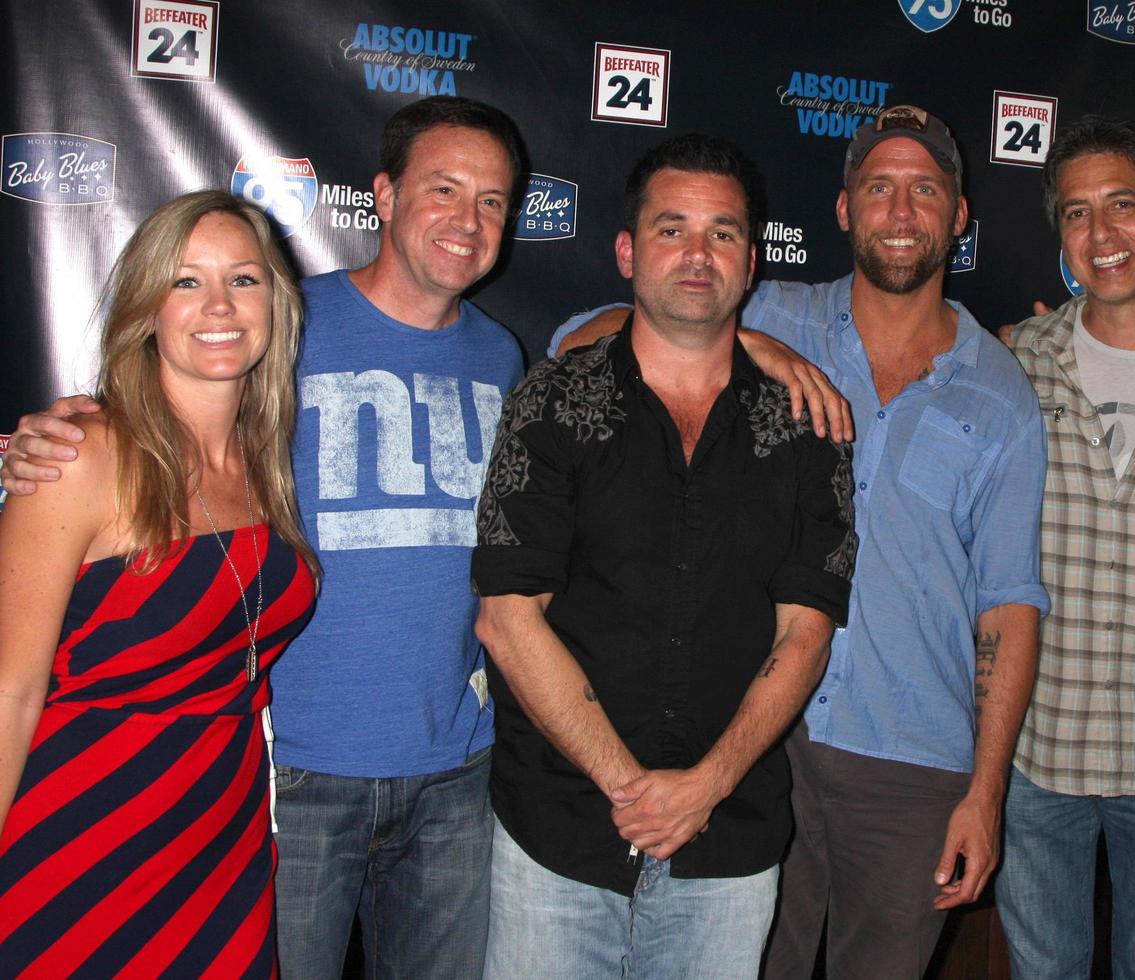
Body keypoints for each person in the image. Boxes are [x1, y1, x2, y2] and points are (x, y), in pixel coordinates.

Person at [0, 96, 527, 976]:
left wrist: (759, 343)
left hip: (450, 773)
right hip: (288, 776)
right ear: (385, 196)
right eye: (443, 189)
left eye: (493, 201)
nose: (467, 222)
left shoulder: (500, 355)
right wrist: (53, 440)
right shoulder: (286, 324)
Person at [554, 104, 1048, 978]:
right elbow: (581, 344)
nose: (901, 211)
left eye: (925, 190)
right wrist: (742, 341)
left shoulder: (1000, 389)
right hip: (757, 740)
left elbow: (1008, 601)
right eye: (879, 188)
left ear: (960, 216)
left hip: (913, 763)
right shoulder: (771, 311)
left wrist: (986, 792)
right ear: (844, 210)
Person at [473, 133, 856, 979]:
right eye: (671, 228)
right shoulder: (551, 399)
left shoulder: (807, 428)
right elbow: (506, 619)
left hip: (730, 843)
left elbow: (807, 634)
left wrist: (706, 785)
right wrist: (632, 790)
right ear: (626, 250)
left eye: (722, 233)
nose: (697, 253)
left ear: (751, 263)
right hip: (558, 834)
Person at [0, 190, 317, 974]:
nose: (219, 305)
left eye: (244, 280)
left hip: (221, 839)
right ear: (147, 307)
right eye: (186, 282)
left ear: (275, 302)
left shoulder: (263, 462)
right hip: (82, 840)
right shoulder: (83, 456)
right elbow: (9, 691)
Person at [993, 116, 1135, 979]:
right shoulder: (1017, 360)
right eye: (1078, 213)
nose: (1101, 234)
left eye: (1122, 205)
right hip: (1033, 748)